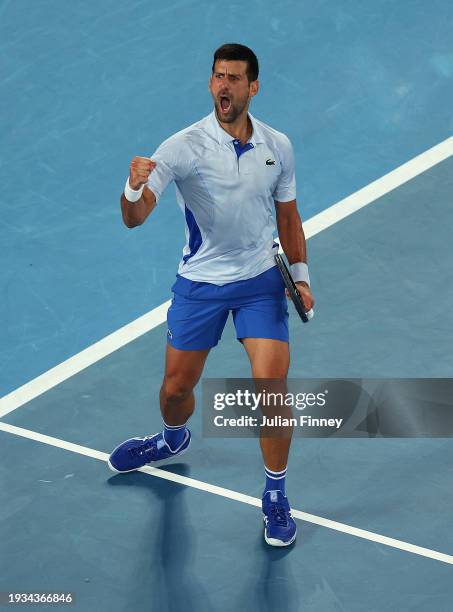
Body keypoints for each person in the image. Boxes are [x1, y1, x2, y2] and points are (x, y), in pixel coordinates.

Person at [108, 43, 315, 547]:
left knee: (272, 389)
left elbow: (287, 216)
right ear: (211, 84)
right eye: (218, 76)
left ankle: (275, 495)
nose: (224, 85)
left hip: (260, 282)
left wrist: (302, 276)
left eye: (234, 78)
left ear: (252, 87)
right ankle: (171, 438)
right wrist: (134, 189)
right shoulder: (181, 147)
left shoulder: (277, 146)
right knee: (177, 391)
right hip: (200, 285)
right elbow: (134, 218)